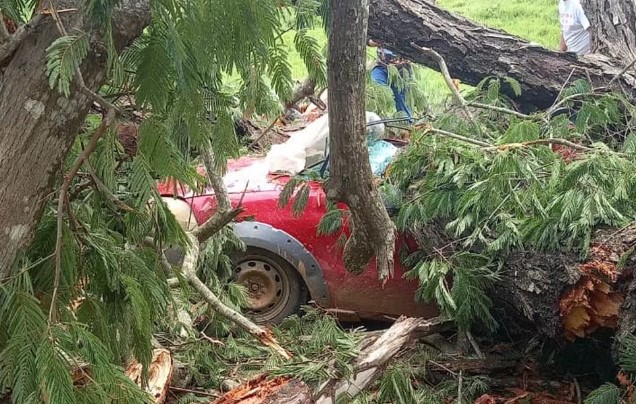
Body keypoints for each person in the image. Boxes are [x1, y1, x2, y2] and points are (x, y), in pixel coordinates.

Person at [367, 39, 414, 123]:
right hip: (381, 66)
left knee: (401, 99)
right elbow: (367, 37)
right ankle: (375, 122)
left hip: (401, 69)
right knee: (375, 91)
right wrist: (371, 42)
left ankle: (406, 126)